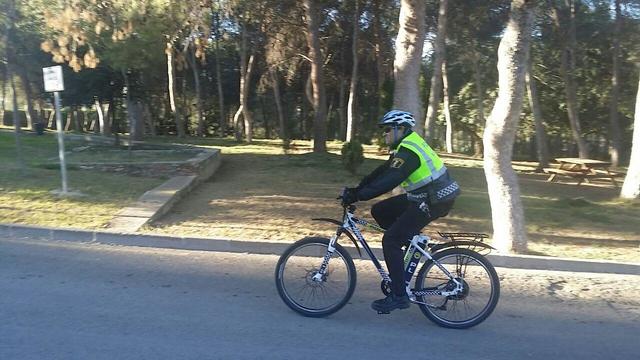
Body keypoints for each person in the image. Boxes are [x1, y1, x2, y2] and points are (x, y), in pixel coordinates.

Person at [341, 110, 460, 313]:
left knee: (390, 240)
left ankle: (398, 296)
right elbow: (382, 173)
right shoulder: (403, 148)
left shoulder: (409, 152)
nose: (384, 134)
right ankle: (408, 249)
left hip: (435, 199)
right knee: (380, 210)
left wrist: (359, 196)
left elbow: (390, 180)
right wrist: (357, 190)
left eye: (387, 129)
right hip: (424, 196)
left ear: (400, 129)